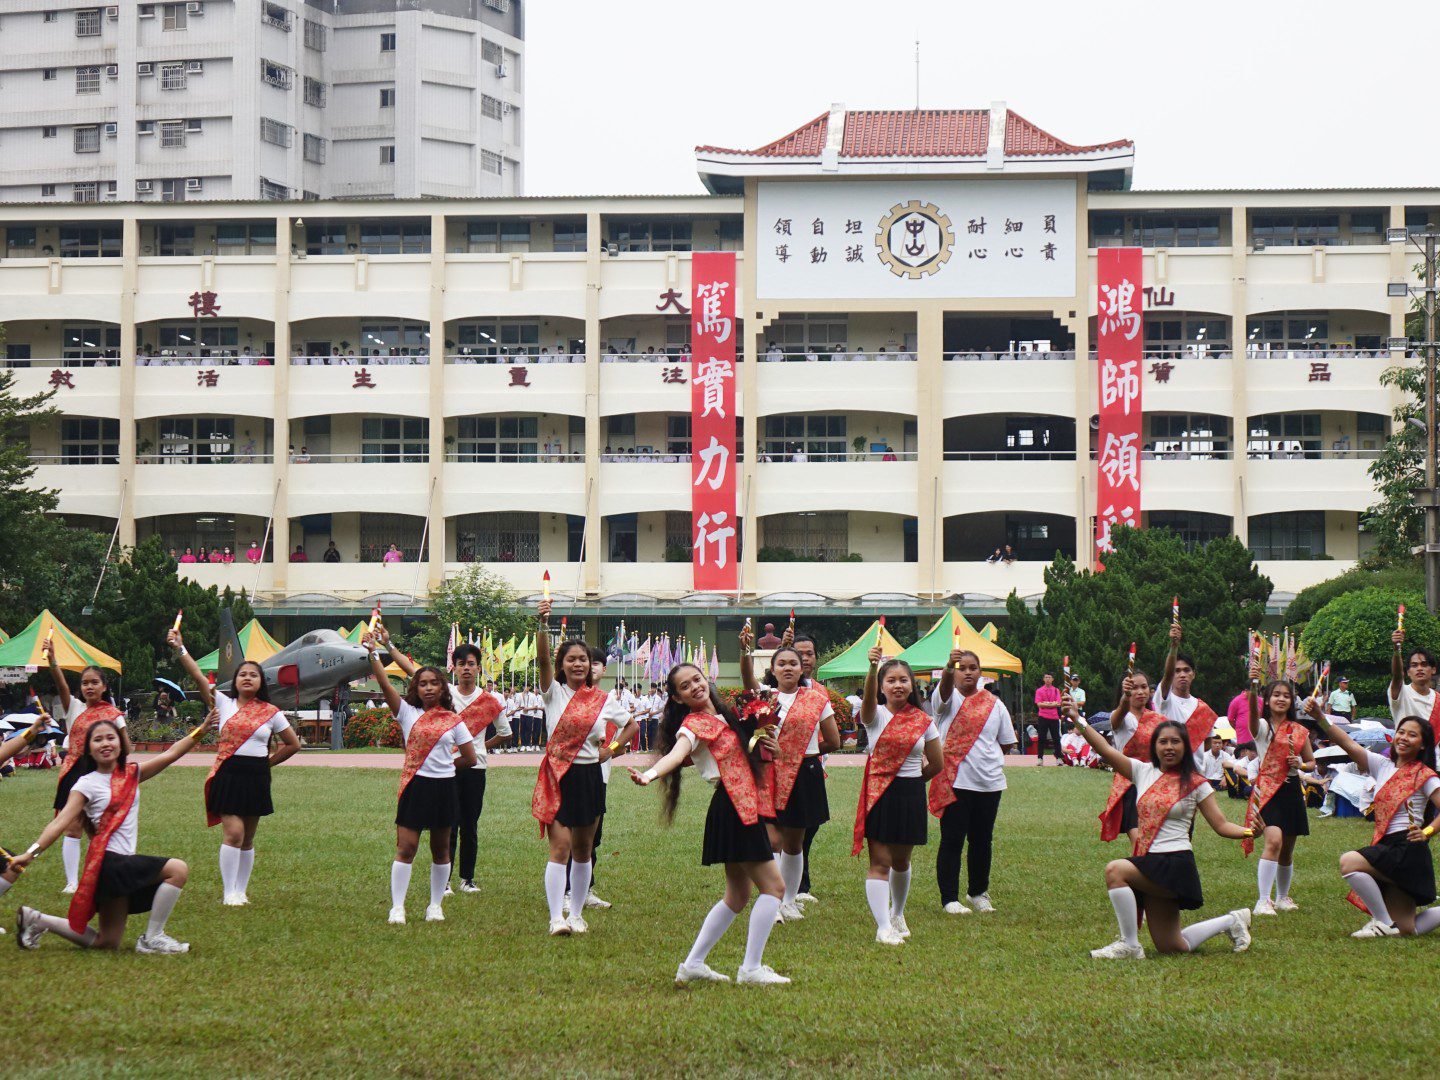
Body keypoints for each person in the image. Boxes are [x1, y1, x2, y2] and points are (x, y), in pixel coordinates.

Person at [629, 662, 789, 985]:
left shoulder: (727, 716)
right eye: (684, 686)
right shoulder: (693, 725)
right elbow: (676, 755)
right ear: (676, 698)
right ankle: (751, 968)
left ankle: (692, 965)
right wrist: (649, 774)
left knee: (737, 896)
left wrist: (766, 744)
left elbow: (750, 752)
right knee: (774, 887)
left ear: (707, 679)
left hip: (739, 804)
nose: (694, 687)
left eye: (697, 679)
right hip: (732, 807)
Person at [6, 712, 216, 954]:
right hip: (110, 862)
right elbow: (59, 822)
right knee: (177, 869)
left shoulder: (132, 773)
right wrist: (30, 854)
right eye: (98, 740)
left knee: (107, 942)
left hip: (115, 870)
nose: (105, 743)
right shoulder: (86, 784)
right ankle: (153, 937)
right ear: (89, 749)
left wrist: (202, 729)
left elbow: (170, 754)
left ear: (120, 743)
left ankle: (38, 920)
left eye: (110, 738)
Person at [1065, 697, 1255, 959]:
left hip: (1175, 864)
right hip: (1150, 862)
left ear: (1185, 747)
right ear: (1154, 746)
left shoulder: (1196, 783)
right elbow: (1106, 752)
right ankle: (1232, 921)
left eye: (1175, 742)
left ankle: (1129, 944)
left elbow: (1221, 825)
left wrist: (1249, 831)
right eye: (1163, 742)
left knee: (1115, 870)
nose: (1169, 747)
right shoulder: (1142, 771)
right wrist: (1077, 719)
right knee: (1173, 946)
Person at [170, 627, 301, 906]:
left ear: (260, 681)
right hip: (227, 774)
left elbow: (292, 744)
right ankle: (229, 891)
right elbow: (197, 676)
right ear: (236, 680)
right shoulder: (223, 702)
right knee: (234, 834)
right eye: (243, 674)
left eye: (253, 675)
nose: (247, 678)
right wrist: (181, 648)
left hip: (256, 777)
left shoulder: (271, 712)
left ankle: (241, 890)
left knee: (249, 838)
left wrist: (268, 764)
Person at [532, 598, 635, 936]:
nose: (578, 664)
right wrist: (543, 625)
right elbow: (543, 657)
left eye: (584, 660)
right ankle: (555, 918)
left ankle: (576, 914)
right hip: (559, 776)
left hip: (591, 776)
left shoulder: (604, 700)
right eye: (571, 659)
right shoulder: (553, 692)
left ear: (591, 665)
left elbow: (631, 726)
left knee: (583, 850)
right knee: (559, 847)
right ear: (562, 664)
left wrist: (612, 750)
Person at [381, 635, 509, 895]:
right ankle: (446, 880)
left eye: (471, 664)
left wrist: (481, 747)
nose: (466, 668)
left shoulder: (491, 700)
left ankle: (468, 879)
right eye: (461, 663)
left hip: (474, 768)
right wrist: (387, 645)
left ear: (478, 668)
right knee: (448, 824)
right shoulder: (444, 691)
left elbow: (506, 733)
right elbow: (412, 670)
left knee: (470, 824)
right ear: (454, 667)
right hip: (444, 769)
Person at [363, 634, 477, 925]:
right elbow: (386, 684)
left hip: (444, 788)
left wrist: (446, 768)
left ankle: (435, 905)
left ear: (442, 688)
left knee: (441, 850)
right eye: (423, 683)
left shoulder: (454, 720)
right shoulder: (407, 713)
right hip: (415, 787)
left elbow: (470, 758)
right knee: (406, 847)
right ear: (416, 687)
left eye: (434, 683)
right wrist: (373, 654)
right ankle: (397, 907)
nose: (428, 688)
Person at [1304, 699, 1440, 937]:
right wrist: (1319, 717)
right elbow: (1347, 742)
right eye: (1401, 732)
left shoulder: (1425, 775)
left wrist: (1427, 831)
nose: (1404, 737)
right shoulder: (1382, 765)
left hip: (1407, 849)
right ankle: (1389, 924)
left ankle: (1383, 922)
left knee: (1349, 862)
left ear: (1422, 745)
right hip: (1389, 846)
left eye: (1412, 735)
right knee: (1409, 929)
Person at [742, 634, 840, 922]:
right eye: (781, 663)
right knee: (772, 840)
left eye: (793, 663)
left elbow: (833, 741)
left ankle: (789, 899)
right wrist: (745, 651)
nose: (787, 668)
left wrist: (800, 753)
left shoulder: (817, 699)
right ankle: (771, 901)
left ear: (802, 669)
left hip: (804, 775)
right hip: (770, 774)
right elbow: (748, 679)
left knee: (794, 843)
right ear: (772, 669)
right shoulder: (765, 697)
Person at [854, 644, 943, 945]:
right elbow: (866, 701)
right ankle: (882, 928)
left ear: (911, 684)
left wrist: (916, 782)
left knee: (902, 861)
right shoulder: (874, 715)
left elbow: (937, 762)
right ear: (881, 687)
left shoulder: (923, 721)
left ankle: (897, 914)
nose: (897, 685)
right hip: (879, 793)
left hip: (909, 794)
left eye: (903, 680)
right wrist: (871, 667)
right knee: (879, 861)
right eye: (890, 680)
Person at [930, 647, 1016, 915]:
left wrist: (983, 760)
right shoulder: (946, 700)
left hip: (989, 783)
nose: (967, 672)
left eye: (973, 668)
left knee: (982, 840)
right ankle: (949, 898)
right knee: (952, 840)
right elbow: (942, 693)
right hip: (955, 782)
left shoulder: (995, 704)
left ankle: (978, 892)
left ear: (981, 673)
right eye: (962, 668)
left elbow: (1005, 743)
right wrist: (947, 666)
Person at [45, 636, 130, 896]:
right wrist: (52, 661)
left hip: (102, 773)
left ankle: (106, 873)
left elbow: (127, 747)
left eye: (94, 682)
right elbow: (61, 685)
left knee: (100, 827)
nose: (89, 687)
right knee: (71, 825)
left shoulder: (114, 715)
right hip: (74, 772)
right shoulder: (75, 708)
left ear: (104, 687)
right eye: (84, 683)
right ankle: (73, 881)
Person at [1245, 665, 1316, 915]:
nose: (1281, 699)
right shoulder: (1262, 727)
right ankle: (1263, 900)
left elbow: (1312, 762)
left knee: (1287, 848)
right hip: (1268, 790)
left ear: (1292, 701)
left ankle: (1283, 897)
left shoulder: (1299, 731)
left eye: (1286, 695)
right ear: (1268, 699)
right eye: (1276, 694)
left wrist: (1301, 764)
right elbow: (1252, 715)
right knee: (1273, 840)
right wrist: (1254, 687)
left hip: (1292, 791)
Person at [1099, 670, 1165, 847]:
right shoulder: (1121, 717)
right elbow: (1117, 716)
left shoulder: (1159, 720)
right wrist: (1124, 700)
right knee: (1139, 840)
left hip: (1154, 783)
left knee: (1157, 838)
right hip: (1129, 784)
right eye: (1134, 688)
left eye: (1144, 687)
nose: (1140, 692)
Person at [1155, 618, 1219, 746]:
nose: (1182, 675)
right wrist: (1174, 646)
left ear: (1193, 674)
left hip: (1196, 766)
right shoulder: (1164, 699)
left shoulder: (1202, 708)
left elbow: (1206, 743)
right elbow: (1167, 676)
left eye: (1186, 670)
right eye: (1177, 671)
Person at [1389, 630, 1439, 766]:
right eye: (1414, 665)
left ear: (1433, 670)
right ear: (1408, 672)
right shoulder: (1401, 693)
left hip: (1434, 766)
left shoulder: (1438, 699)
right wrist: (1396, 649)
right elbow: (1397, 675)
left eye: (1424, 664)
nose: (1419, 668)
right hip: (1406, 765)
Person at [1033, 674, 1062, 764]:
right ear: (1043, 679)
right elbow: (1039, 704)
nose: (1048, 679)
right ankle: (1040, 758)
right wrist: (1051, 704)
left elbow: (1058, 703)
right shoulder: (1039, 690)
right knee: (1041, 738)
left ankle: (1058, 758)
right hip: (1043, 716)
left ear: (1052, 679)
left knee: (1056, 738)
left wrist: (1046, 704)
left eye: (1049, 677)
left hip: (1054, 717)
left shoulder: (1056, 690)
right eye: (1046, 677)